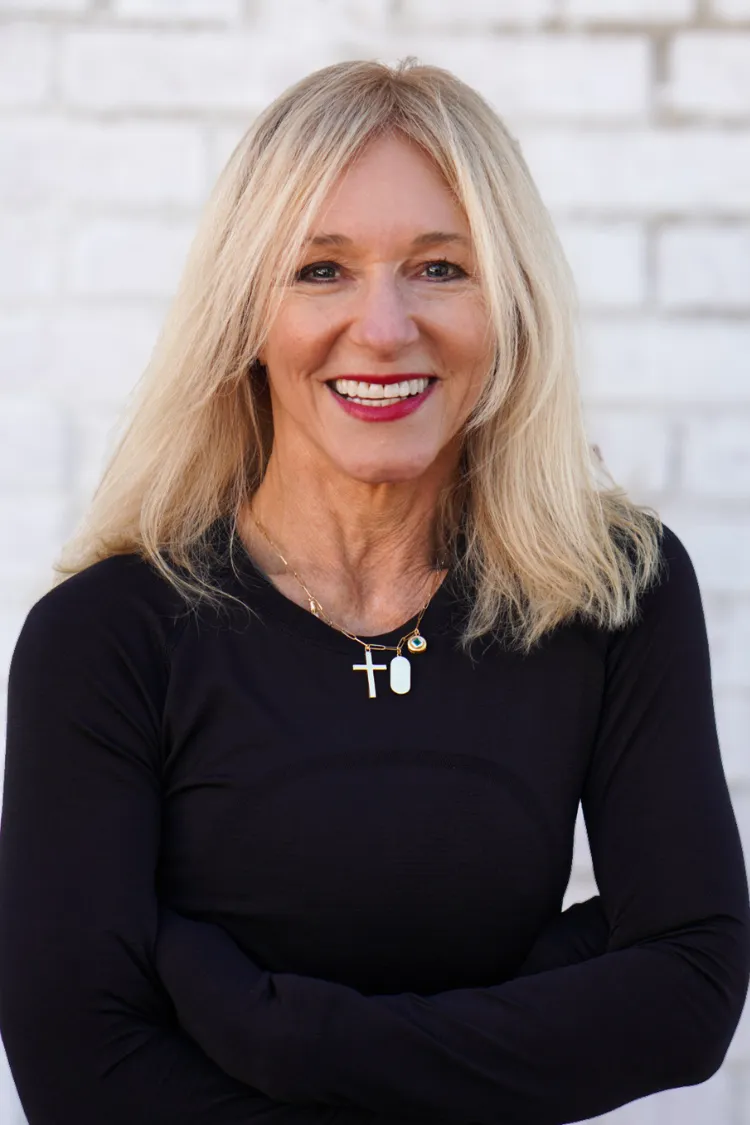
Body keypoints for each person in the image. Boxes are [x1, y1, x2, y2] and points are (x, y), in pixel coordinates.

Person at [0, 56, 747, 1125]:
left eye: (442, 268)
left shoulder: (612, 593)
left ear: (511, 301)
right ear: (246, 314)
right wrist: (511, 1032)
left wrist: (289, 1034)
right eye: (321, 271)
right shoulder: (107, 638)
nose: (386, 327)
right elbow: (85, 1074)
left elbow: (686, 986)